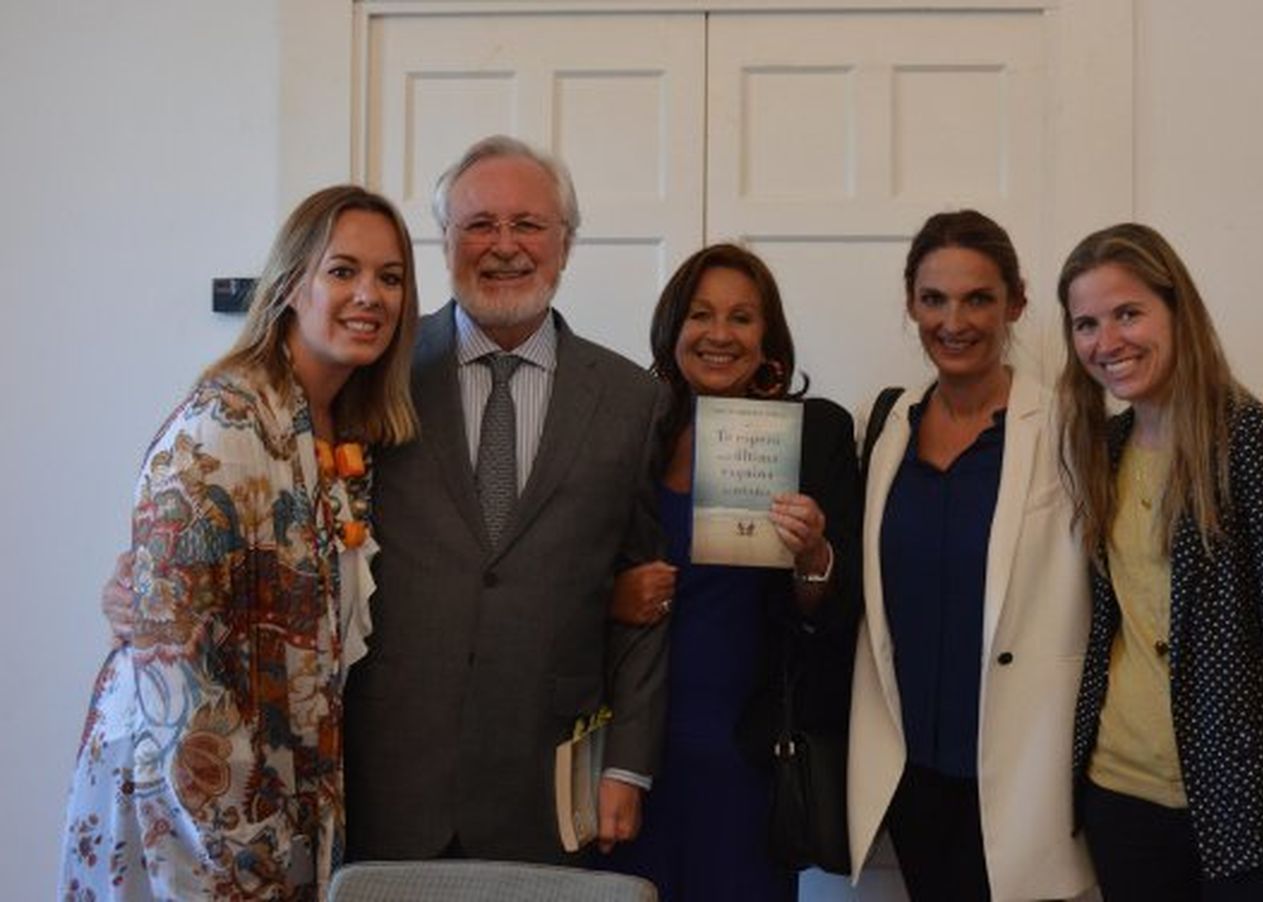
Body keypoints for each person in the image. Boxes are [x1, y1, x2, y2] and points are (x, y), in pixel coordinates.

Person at [60, 185, 421, 900]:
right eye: (342, 270)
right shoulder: (222, 426)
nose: (369, 296)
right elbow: (174, 675)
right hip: (189, 814)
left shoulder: (340, 425)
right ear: (289, 286)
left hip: (277, 796)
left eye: (390, 277)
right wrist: (246, 847)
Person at [341, 135, 670, 864]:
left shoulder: (631, 401)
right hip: (389, 775)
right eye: (479, 224)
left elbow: (646, 596)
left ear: (566, 243)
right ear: (445, 240)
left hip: (545, 785)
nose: (504, 246)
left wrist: (627, 765)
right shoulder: (376, 370)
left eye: (528, 224)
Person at [1057, 223, 1263, 901]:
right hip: (1120, 800)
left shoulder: (1251, 442)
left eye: (1128, 313)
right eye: (1086, 324)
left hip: (1246, 806)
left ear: (1178, 309)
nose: (1107, 342)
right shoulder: (1101, 448)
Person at [600, 244, 862, 901]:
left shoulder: (815, 434)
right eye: (701, 314)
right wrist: (611, 598)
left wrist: (814, 556)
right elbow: (565, 568)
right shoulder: (629, 431)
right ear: (673, 328)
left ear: (767, 338)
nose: (719, 334)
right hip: (630, 756)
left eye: (742, 318)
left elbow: (837, 613)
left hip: (749, 755)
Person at [847, 210, 1094, 901]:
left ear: (1016, 302)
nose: (954, 322)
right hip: (912, 775)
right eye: (934, 299)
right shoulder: (884, 426)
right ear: (911, 304)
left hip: (1025, 774)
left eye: (978, 299)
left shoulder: (1070, 429)